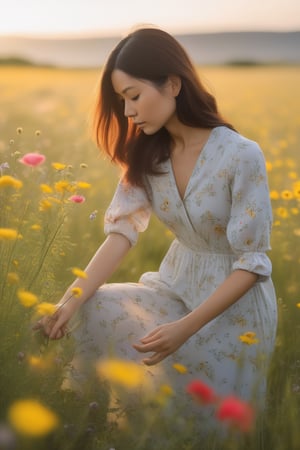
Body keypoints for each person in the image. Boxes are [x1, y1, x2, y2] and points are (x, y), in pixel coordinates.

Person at [39, 27, 277, 416]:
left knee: (209, 424)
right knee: (92, 307)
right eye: (122, 100)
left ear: (172, 84)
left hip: (233, 310)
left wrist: (184, 328)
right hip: (175, 287)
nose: (128, 111)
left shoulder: (241, 155)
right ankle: (99, 423)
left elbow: (252, 263)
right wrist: (69, 301)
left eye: (134, 96)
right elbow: (122, 232)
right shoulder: (149, 154)